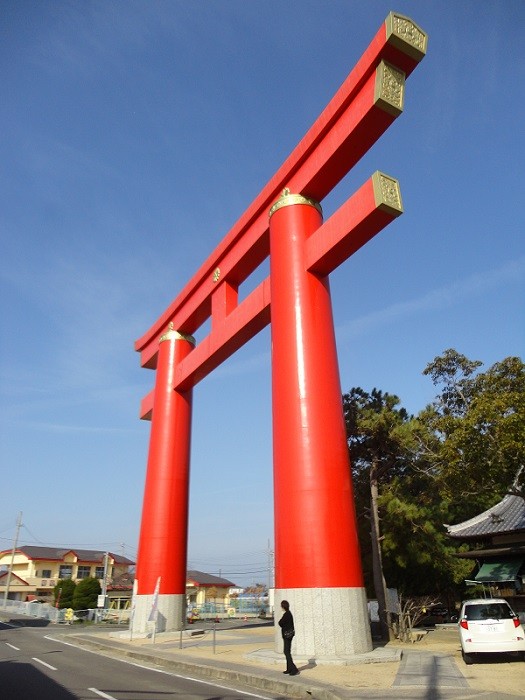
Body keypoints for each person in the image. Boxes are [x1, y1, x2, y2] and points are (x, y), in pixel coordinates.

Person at [278, 600, 298, 675]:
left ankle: (293, 669)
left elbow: (280, 623)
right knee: (287, 651)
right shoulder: (289, 613)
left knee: (286, 652)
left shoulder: (286, 614)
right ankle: (289, 668)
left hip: (287, 635)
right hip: (289, 635)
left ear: (283, 606)